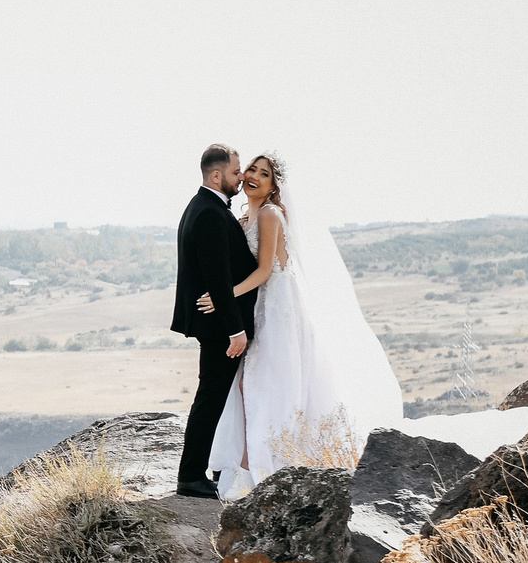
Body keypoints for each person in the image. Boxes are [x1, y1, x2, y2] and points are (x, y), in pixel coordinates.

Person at [200, 153, 406, 498]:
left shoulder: (269, 214)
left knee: (265, 384)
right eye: (250, 169)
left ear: (273, 185)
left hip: (279, 305)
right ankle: (250, 462)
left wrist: (223, 296)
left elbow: (265, 271)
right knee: (247, 385)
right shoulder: (244, 215)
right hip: (259, 304)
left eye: (263, 174)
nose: (253, 176)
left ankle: (263, 467)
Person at [170, 143, 257, 499]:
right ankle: (191, 475)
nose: (241, 178)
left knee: (214, 397)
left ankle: (204, 468)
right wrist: (236, 330)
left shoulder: (204, 206)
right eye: (237, 172)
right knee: (210, 398)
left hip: (215, 323)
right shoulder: (207, 212)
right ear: (217, 175)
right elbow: (218, 278)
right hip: (220, 327)